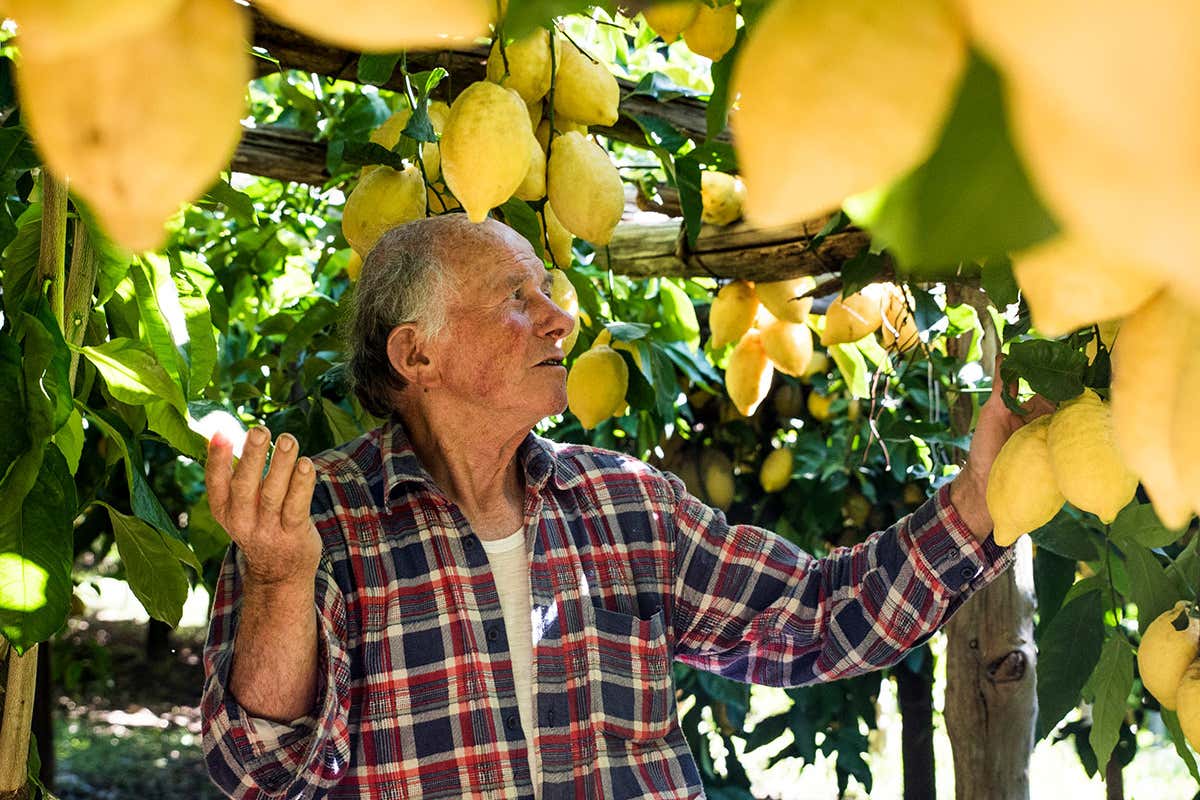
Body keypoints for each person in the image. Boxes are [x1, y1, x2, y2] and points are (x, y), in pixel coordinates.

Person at [201, 213, 1041, 800]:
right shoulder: (311, 522)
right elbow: (261, 775)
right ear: (417, 354)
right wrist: (279, 581)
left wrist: (981, 495)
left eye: (548, 292)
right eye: (517, 298)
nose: (561, 319)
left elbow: (820, 618)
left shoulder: (626, 505)